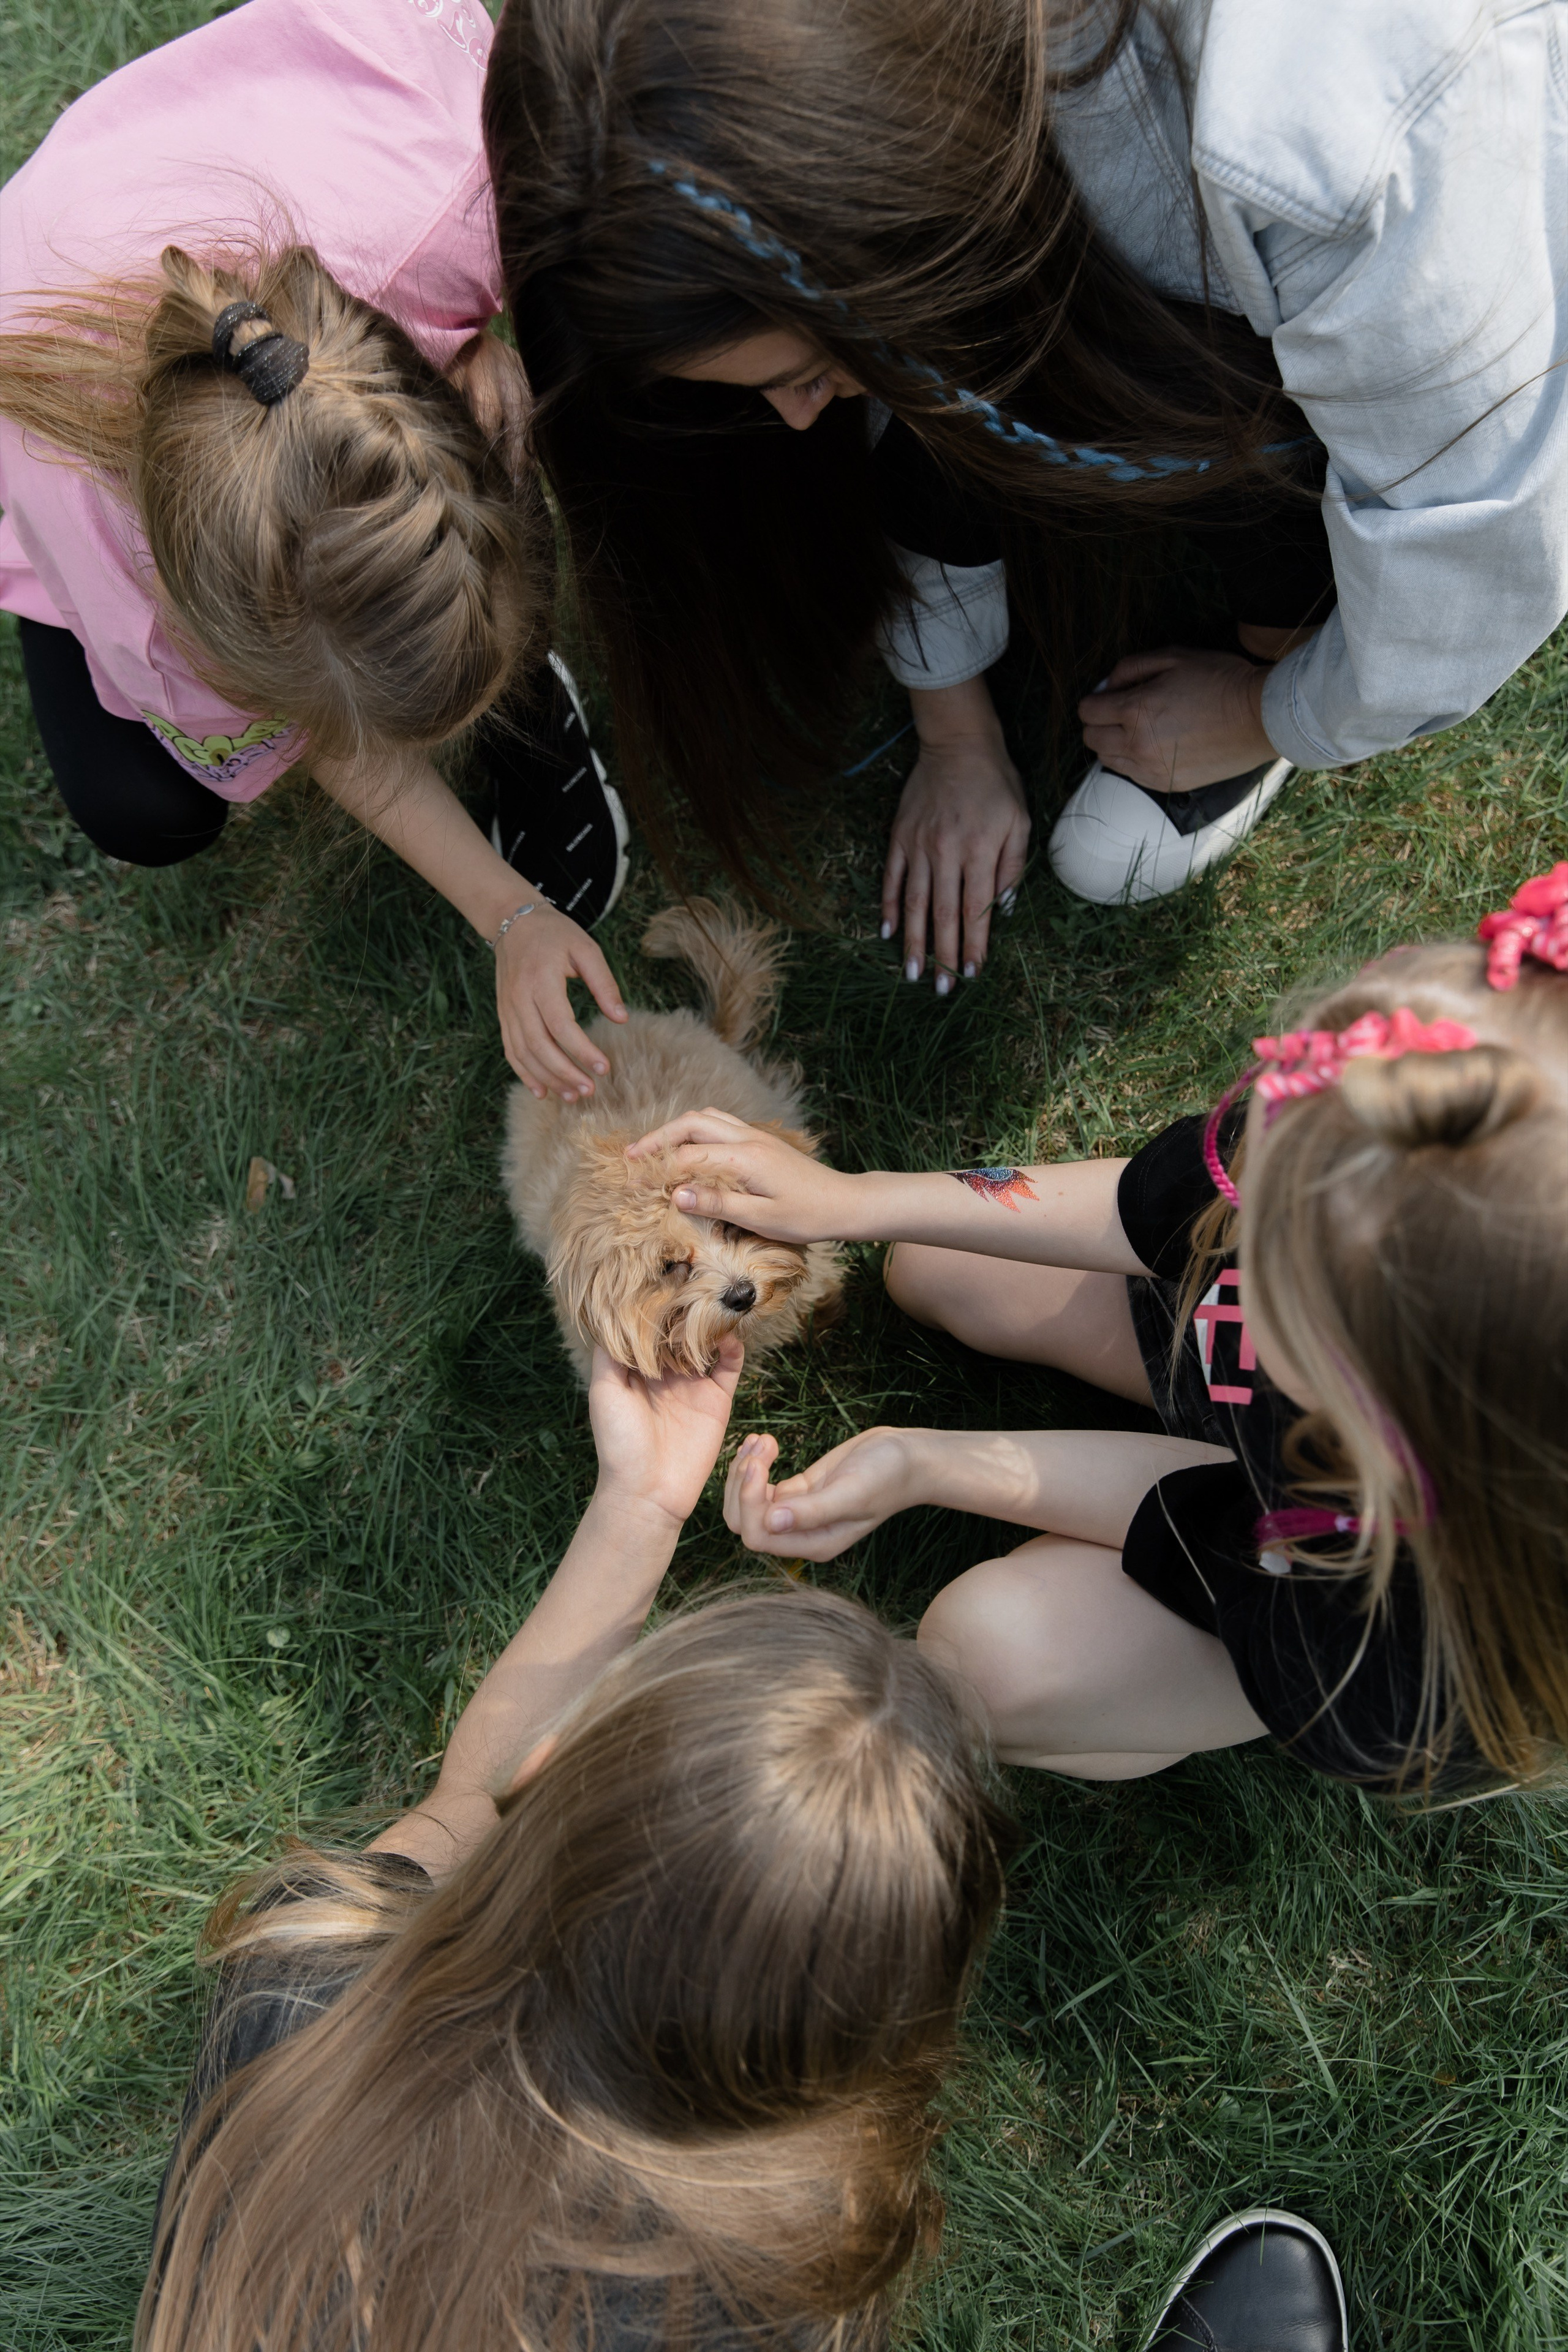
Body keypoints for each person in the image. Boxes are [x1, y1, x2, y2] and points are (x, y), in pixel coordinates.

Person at [483, 0, 1568, 967]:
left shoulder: (1332, 149)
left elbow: (1475, 549)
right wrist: (952, 724)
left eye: (811, 373)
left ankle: (1285, 618)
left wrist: (1269, 709)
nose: (801, 417)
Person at [138, 1332, 1011, 2352]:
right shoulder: (781, 2274)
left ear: (545, 1767)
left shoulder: (307, 1968)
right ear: (879, 2021)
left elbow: (464, 1803)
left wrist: (639, 1504)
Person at [628, 866, 1568, 1795]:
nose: (1228, 1228)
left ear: (1394, 1397)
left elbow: (1211, 1520)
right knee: (934, 1265)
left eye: (1267, 1247)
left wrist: (933, 1463)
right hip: (1293, 1461)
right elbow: (1141, 1210)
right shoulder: (1375, 1133)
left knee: (989, 1657)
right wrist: (856, 1201)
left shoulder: (1384, 1668)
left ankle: (1148, 1712)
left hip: (1287, 1591)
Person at [0, 0, 631, 1106]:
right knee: (144, 807)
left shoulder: (461, 185)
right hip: (51, 341)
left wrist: (491, 345)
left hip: (296, 127)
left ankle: (527, 696)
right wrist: (508, 909)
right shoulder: (136, 599)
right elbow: (333, 730)